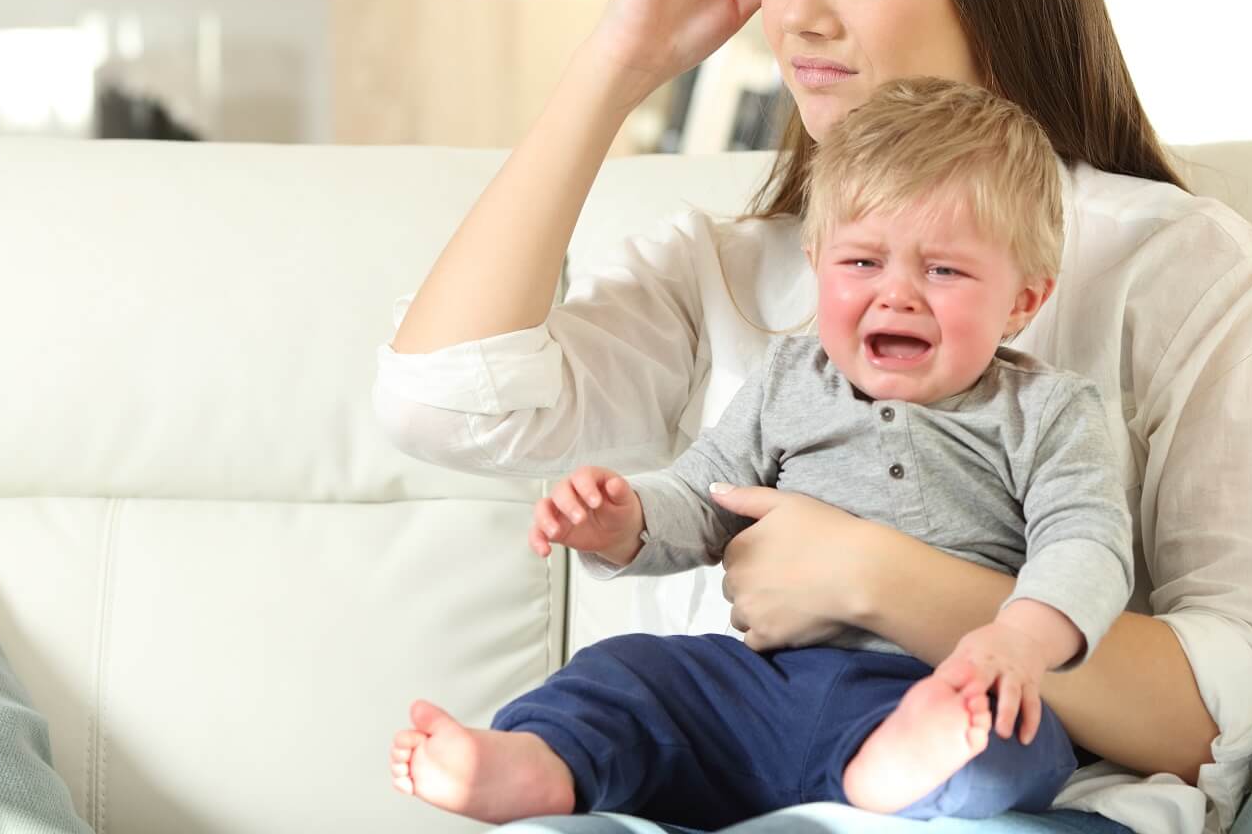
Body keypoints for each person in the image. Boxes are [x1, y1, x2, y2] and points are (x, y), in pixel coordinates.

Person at [375, 0, 1252, 834]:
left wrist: (875, 575)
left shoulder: (1183, 265)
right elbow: (440, 404)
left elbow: (1227, 706)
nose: (800, 15)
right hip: (715, 786)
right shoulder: (726, 269)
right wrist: (616, 62)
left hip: (1010, 805)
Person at [389, 78, 1134, 826]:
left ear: (1023, 301)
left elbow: (1087, 544)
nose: (897, 294)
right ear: (817, 262)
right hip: (758, 686)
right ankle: (536, 763)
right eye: (862, 263)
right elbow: (707, 495)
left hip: (926, 683)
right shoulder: (787, 379)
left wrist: (1019, 640)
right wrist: (625, 520)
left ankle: (893, 772)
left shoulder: (1047, 410)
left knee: (1016, 741)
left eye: (943, 270)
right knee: (629, 673)